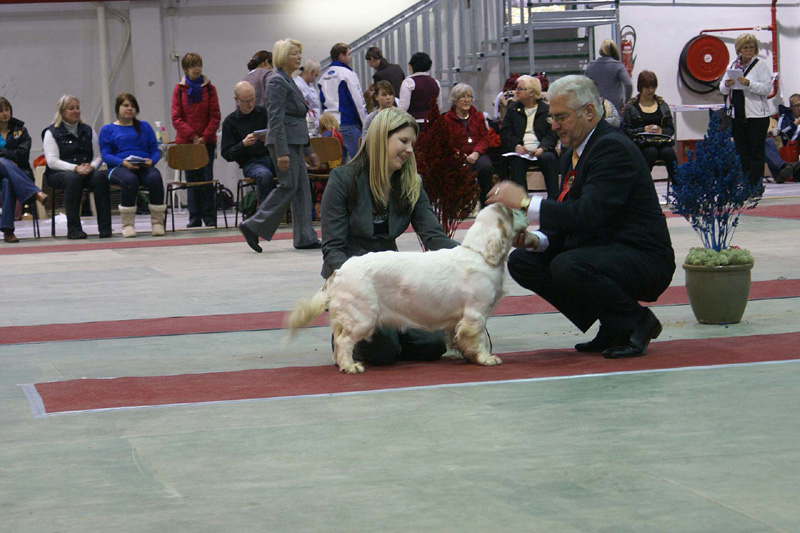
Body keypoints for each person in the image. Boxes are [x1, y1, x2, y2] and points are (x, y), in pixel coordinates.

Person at [487, 75, 674, 359]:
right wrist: (534, 241)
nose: (554, 125)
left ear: (589, 112)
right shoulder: (575, 153)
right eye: (552, 118)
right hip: (604, 249)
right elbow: (571, 216)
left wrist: (525, 201)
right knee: (524, 262)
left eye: (561, 117)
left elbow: (587, 215)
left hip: (644, 257)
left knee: (568, 265)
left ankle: (637, 321)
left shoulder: (613, 148)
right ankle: (612, 322)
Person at [320, 107, 459, 366]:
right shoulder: (343, 179)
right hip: (353, 287)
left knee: (434, 344)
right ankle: (347, 332)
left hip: (394, 290)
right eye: (403, 141)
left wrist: (474, 256)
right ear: (380, 139)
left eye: (412, 144)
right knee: (382, 351)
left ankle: (387, 336)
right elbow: (332, 251)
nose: (409, 150)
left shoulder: (411, 185)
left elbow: (435, 239)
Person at [239, 38, 321, 253]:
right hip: (284, 143)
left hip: (296, 142)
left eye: (299, 53)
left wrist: (308, 150)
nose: (299, 57)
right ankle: (252, 225)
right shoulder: (276, 81)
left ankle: (305, 236)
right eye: (294, 53)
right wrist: (282, 152)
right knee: (288, 186)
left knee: (302, 189)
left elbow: (297, 120)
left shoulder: (288, 80)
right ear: (283, 56)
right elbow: (275, 119)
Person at [43, 95, 112, 240]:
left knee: (100, 178)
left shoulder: (88, 130)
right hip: (59, 173)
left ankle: (105, 228)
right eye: (71, 108)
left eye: (77, 108)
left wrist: (92, 167)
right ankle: (74, 229)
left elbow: (98, 155)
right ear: (61, 112)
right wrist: (75, 168)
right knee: (73, 180)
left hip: (86, 170)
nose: (76, 111)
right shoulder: (51, 132)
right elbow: (52, 161)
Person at [98, 93, 166, 238]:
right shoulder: (107, 129)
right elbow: (106, 155)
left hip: (143, 166)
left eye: (132, 106)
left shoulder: (145, 127)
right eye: (126, 105)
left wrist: (151, 161)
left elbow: (154, 150)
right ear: (118, 108)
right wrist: (123, 163)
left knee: (155, 178)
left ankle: (157, 223)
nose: (130, 109)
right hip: (119, 167)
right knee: (130, 180)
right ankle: (128, 225)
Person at [171, 52, 221, 228]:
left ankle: (209, 216)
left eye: (199, 65)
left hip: (207, 142)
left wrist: (204, 137)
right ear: (185, 69)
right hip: (187, 142)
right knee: (191, 180)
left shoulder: (210, 89)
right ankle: (194, 217)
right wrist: (193, 136)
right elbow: (176, 117)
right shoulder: (179, 90)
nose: (197, 69)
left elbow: (215, 116)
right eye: (192, 66)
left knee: (207, 178)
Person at [719, 33, 773, 190]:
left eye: (751, 47)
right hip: (738, 115)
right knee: (743, 152)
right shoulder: (732, 66)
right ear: (739, 49)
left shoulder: (760, 66)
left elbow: (767, 88)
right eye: (745, 47)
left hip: (756, 116)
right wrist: (727, 84)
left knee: (756, 153)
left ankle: (755, 187)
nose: (749, 50)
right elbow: (722, 88)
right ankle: (746, 185)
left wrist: (749, 83)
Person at [500, 75, 560, 199]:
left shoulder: (546, 110)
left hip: (542, 150)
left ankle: (554, 201)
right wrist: (516, 145)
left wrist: (543, 148)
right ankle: (522, 203)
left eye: (520, 88)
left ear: (531, 92)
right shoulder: (512, 110)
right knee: (516, 162)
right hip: (521, 152)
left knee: (549, 159)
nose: (516, 91)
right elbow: (505, 133)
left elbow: (553, 133)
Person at [0, 97, 47, 243]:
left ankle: (8, 231)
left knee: (8, 182)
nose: (4, 113)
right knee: (2, 161)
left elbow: (22, 155)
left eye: (7, 109)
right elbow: (14, 154)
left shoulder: (21, 131)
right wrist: (7, 158)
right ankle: (34, 191)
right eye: (0, 111)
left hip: (18, 173)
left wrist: (3, 154)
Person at [221, 81, 276, 202]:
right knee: (264, 176)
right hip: (251, 162)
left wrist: (268, 138)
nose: (251, 104)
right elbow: (227, 154)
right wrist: (243, 144)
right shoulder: (230, 122)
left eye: (253, 99)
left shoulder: (263, 113)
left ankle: (290, 211)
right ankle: (265, 216)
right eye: (246, 101)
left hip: (271, 156)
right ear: (237, 100)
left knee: (294, 169)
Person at [442, 83, 496, 206]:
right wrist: (461, 155)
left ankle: (486, 202)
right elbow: (446, 142)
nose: (467, 100)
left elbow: (485, 138)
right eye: (463, 97)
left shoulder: (478, 116)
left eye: (470, 97)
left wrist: (476, 153)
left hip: (477, 153)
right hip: (456, 154)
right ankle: (458, 205)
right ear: (455, 100)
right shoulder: (446, 119)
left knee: (486, 167)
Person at [621, 70, 678, 184]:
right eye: (647, 87)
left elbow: (671, 129)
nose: (651, 90)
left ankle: (680, 188)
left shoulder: (663, 105)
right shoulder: (631, 107)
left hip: (661, 142)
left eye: (653, 87)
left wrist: (661, 130)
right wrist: (643, 130)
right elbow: (626, 131)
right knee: (651, 152)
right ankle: (642, 186)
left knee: (669, 153)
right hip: (641, 145)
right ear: (640, 87)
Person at [318, 42, 368, 163]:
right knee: (360, 163)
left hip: (330, 126)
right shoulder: (348, 74)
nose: (350, 58)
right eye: (348, 55)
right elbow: (358, 102)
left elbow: (322, 102)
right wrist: (366, 124)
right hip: (348, 124)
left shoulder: (322, 77)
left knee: (337, 165)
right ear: (341, 56)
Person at [585, 39, 633, 113]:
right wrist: (626, 101)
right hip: (615, 107)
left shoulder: (591, 66)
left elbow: (584, 86)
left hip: (597, 107)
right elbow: (628, 84)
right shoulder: (618, 65)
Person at [398, 51, 444, 123]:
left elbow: (403, 108)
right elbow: (439, 107)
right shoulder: (436, 82)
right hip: (432, 123)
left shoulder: (408, 82)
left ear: (410, 66)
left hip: (414, 123)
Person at [768, 93, 800, 183]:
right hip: (790, 144)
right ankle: (787, 169)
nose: (799, 108)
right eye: (797, 105)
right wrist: (796, 123)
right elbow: (783, 132)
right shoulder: (785, 117)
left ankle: (788, 170)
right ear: (791, 107)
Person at [295, 59, 321, 135]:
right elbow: (307, 110)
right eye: (316, 75)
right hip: (307, 126)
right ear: (311, 72)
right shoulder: (299, 86)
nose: (315, 78)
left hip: (313, 125)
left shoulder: (308, 85)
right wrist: (311, 130)